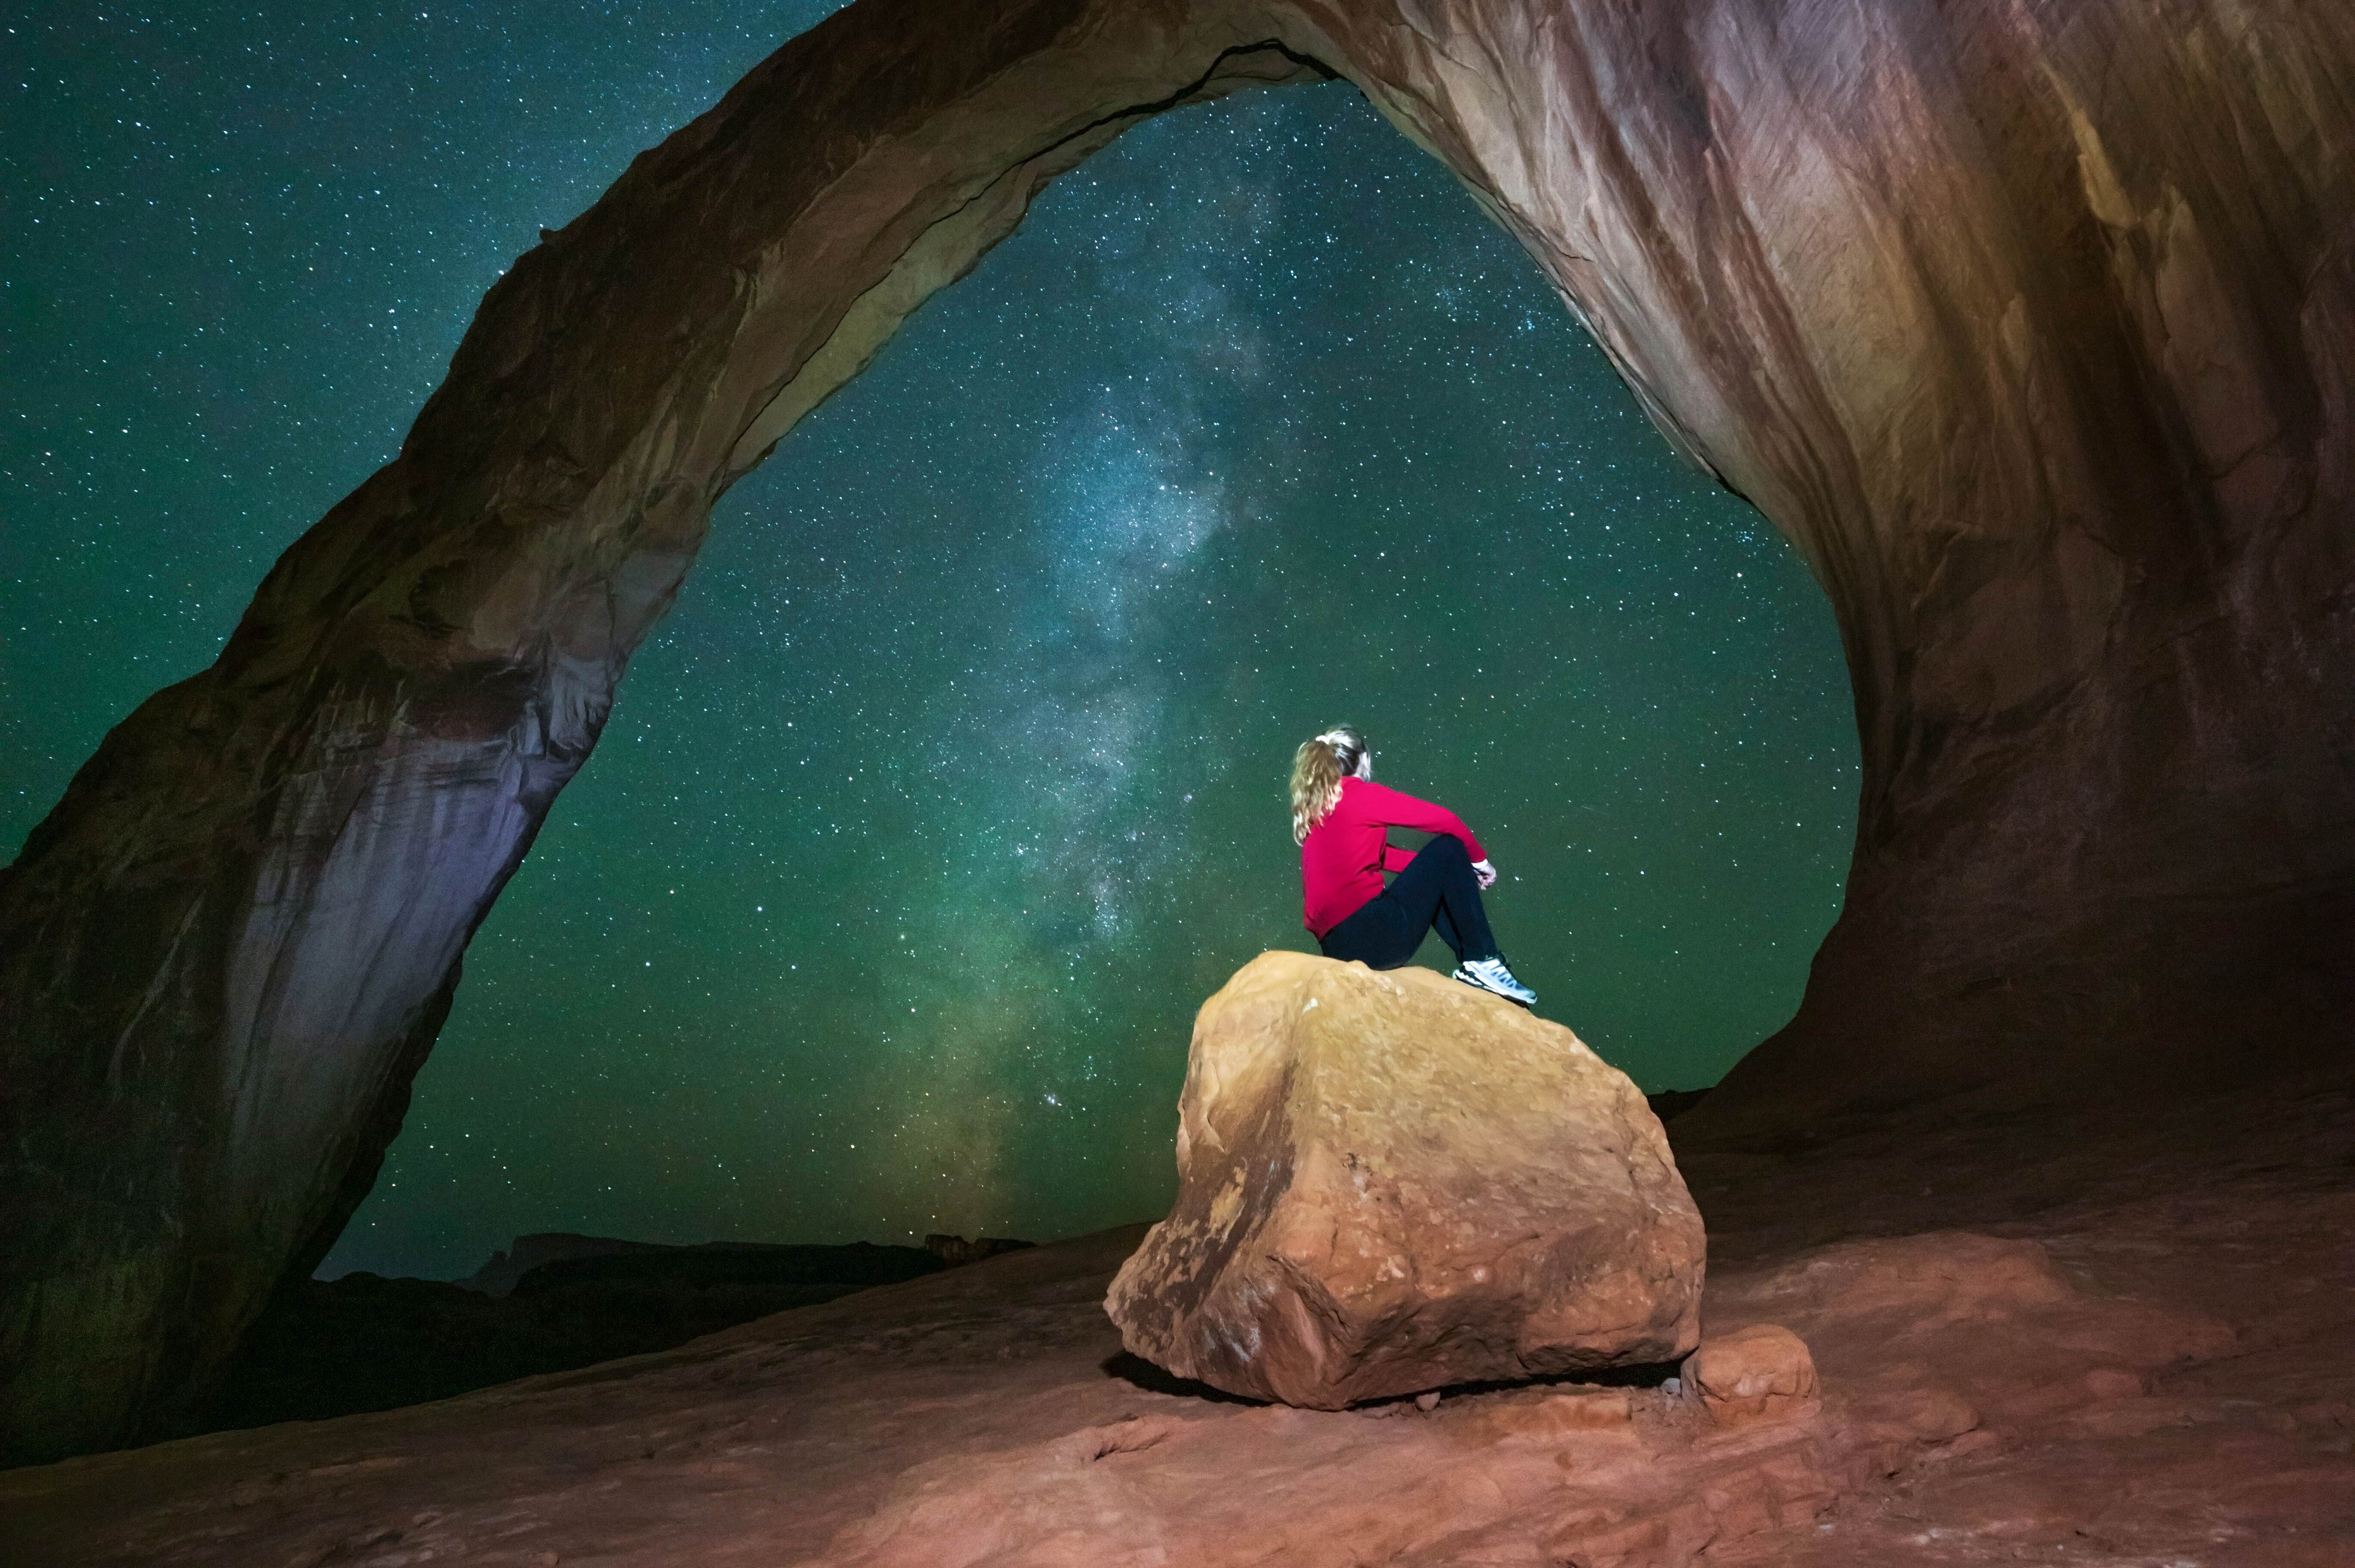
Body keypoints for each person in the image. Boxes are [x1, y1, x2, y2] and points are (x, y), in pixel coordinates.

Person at [1291, 724, 1537, 1006]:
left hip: (1340, 948)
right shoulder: (1360, 794)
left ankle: (1477, 967)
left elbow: (1387, 859)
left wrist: (1459, 873)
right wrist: (1480, 861)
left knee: (1442, 865)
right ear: (1363, 760)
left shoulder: (1321, 811)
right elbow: (1446, 820)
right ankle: (1482, 960)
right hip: (1375, 937)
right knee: (1449, 846)